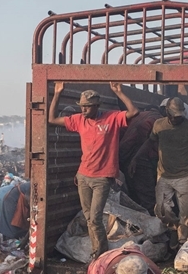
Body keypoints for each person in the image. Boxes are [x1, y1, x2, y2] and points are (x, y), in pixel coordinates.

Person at [48, 82, 139, 260]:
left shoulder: (111, 118)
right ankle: (97, 249)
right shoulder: (78, 120)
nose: (83, 110)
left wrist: (119, 92)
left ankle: (101, 253)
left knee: (95, 218)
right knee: (89, 217)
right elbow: (51, 119)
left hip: (102, 178)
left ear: (96, 106)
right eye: (82, 106)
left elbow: (134, 112)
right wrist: (57, 93)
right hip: (83, 176)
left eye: (87, 107)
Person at [131, 98, 188, 246]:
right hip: (164, 175)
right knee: (162, 210)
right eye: (173, 115)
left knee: (187, 212)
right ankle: (176, 228)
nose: (176, 118)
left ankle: (182, 242)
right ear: (167, 112)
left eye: (179, 116)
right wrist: (136, 158)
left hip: (184, 176)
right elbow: (149, 142)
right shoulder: (159, 125)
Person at [118, 105, 162, 213]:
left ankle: (141, 219)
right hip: (140, 158)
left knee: (134, 194)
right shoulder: (158, 120)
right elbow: (147, 141)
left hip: (124, 156)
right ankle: (154, 223)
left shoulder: (138, 116)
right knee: (147, 195)